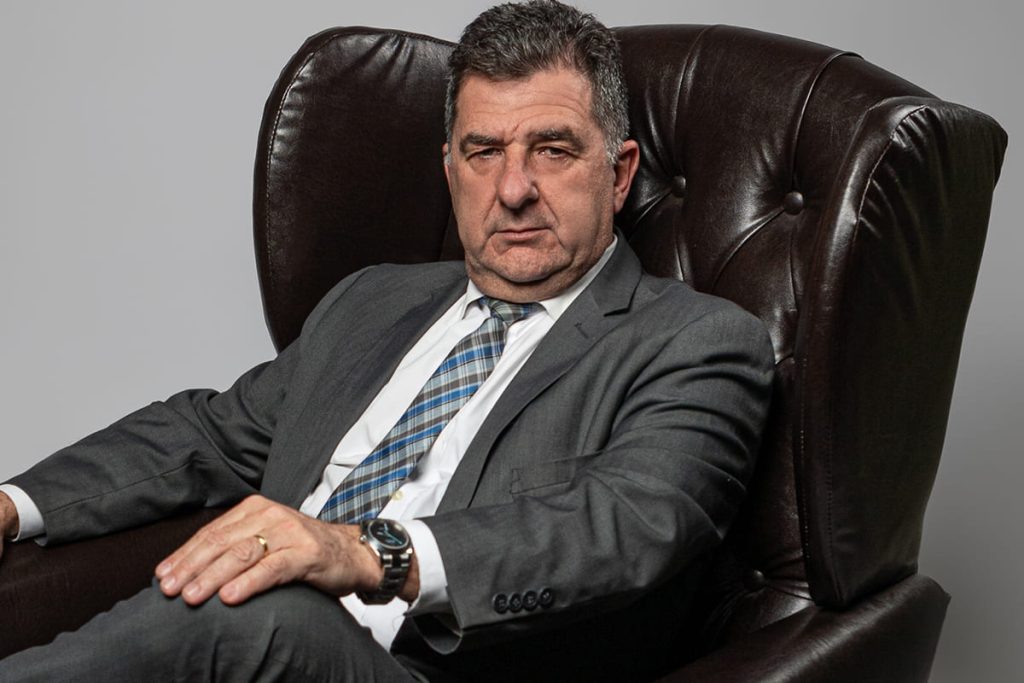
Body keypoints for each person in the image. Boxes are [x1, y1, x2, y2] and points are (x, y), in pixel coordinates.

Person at [0, 1, 774, 680]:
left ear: (619, 172)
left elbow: (623, 523)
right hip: (244, 652)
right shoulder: (372, 301)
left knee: (255, 609)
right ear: (451, 170)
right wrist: (11, 503)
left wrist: (364, 551)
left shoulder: (697, 341)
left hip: (424, 666)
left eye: (553, 149)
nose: (513, 189)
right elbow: (207, 433)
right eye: (484, 152)